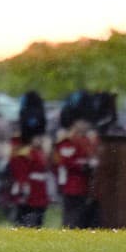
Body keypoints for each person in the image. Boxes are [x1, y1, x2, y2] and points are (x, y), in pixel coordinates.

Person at [53, 89, 98, 229]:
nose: (86, 125)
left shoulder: (88, 140)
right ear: (74, 122)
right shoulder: (67, 141)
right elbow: (66, 162)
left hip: (86, 186)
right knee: (72, 219)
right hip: (72, 186)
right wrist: (86, 165)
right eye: (83, 121)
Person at [8, 91, 51, 228]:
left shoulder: (39, 151)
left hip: (40, 193)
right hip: (29, 194)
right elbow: (20, 172)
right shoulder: (24, 152)